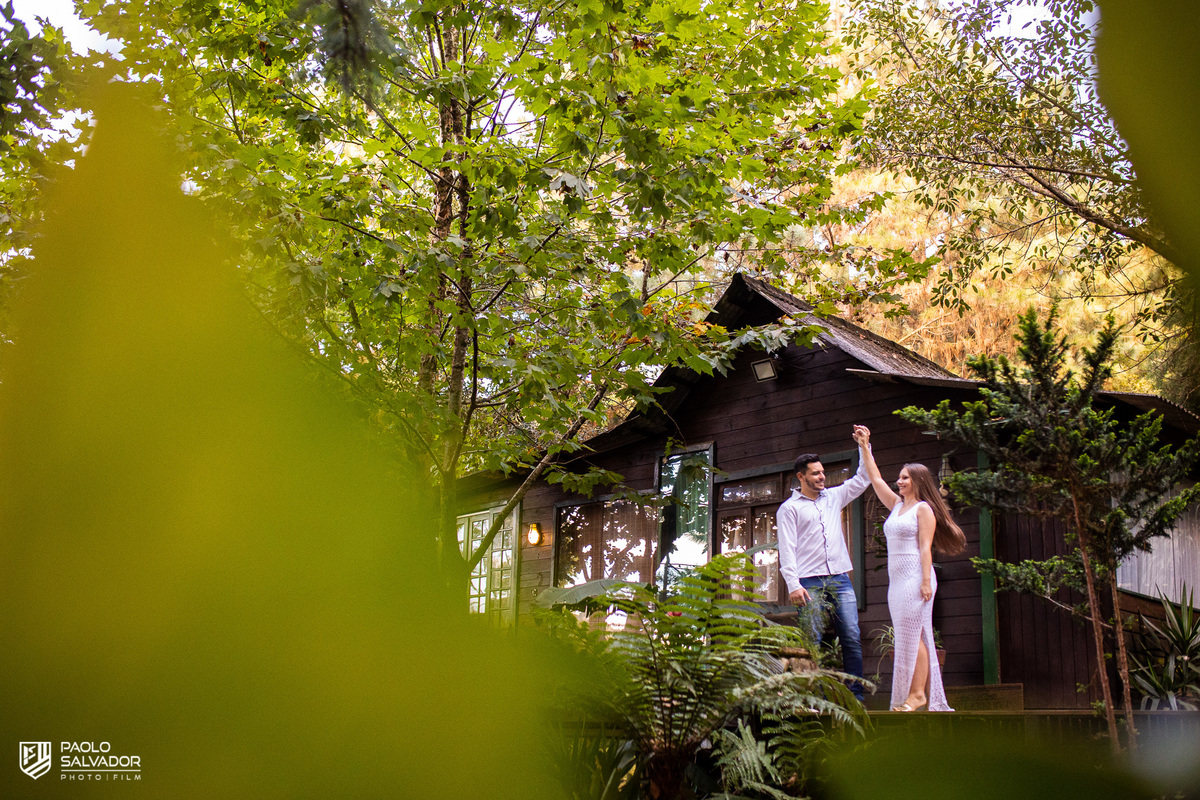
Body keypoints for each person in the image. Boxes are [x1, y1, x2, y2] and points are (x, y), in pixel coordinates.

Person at [853, 426, 966, 712]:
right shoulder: (896, 507)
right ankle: (913, 694)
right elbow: (875, 478)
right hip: (897, 581)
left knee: (916, 634)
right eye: (900, 477)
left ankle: (917, 695)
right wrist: (865, 446)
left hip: (917, 577)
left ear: (916, 481)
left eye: (904, 478)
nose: (898, 481)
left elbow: (926, 547)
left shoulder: (923, 509)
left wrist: (926, 581)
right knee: (906, 635)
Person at [776, 430, 873, 700]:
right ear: (801, 477)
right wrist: (793, 585)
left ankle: (856, 698)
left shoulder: (834, 497)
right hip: (808, 583)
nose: (821, 477)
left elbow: (864, 478)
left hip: (840, 579)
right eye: (815, 473)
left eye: (822, 472)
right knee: (813, 640)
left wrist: (864, 446)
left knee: (851, 637)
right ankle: (815, 699)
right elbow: (787, 550)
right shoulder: (789, 509)